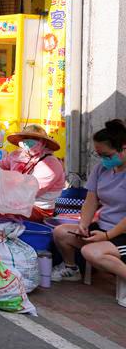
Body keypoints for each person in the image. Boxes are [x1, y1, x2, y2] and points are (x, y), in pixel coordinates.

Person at [51, 120, 126, 284]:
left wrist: (107, 236)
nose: (103, 160)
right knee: (61, 232)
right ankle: (71, 269)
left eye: (107, 156)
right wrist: (83, 225)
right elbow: (90, 201)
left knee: (91, 252)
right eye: (99, 156)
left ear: (124, 148)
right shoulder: (101, 169)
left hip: (121, 234)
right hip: (103, 228)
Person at [1, 125, 66, 220]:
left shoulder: (51, 163)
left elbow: (30, 191)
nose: (29, 141)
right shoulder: (18, 155)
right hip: (15, 202)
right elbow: (0, 166)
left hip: (39, 210)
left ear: (43, 143)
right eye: (26, 138)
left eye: (34, 138)